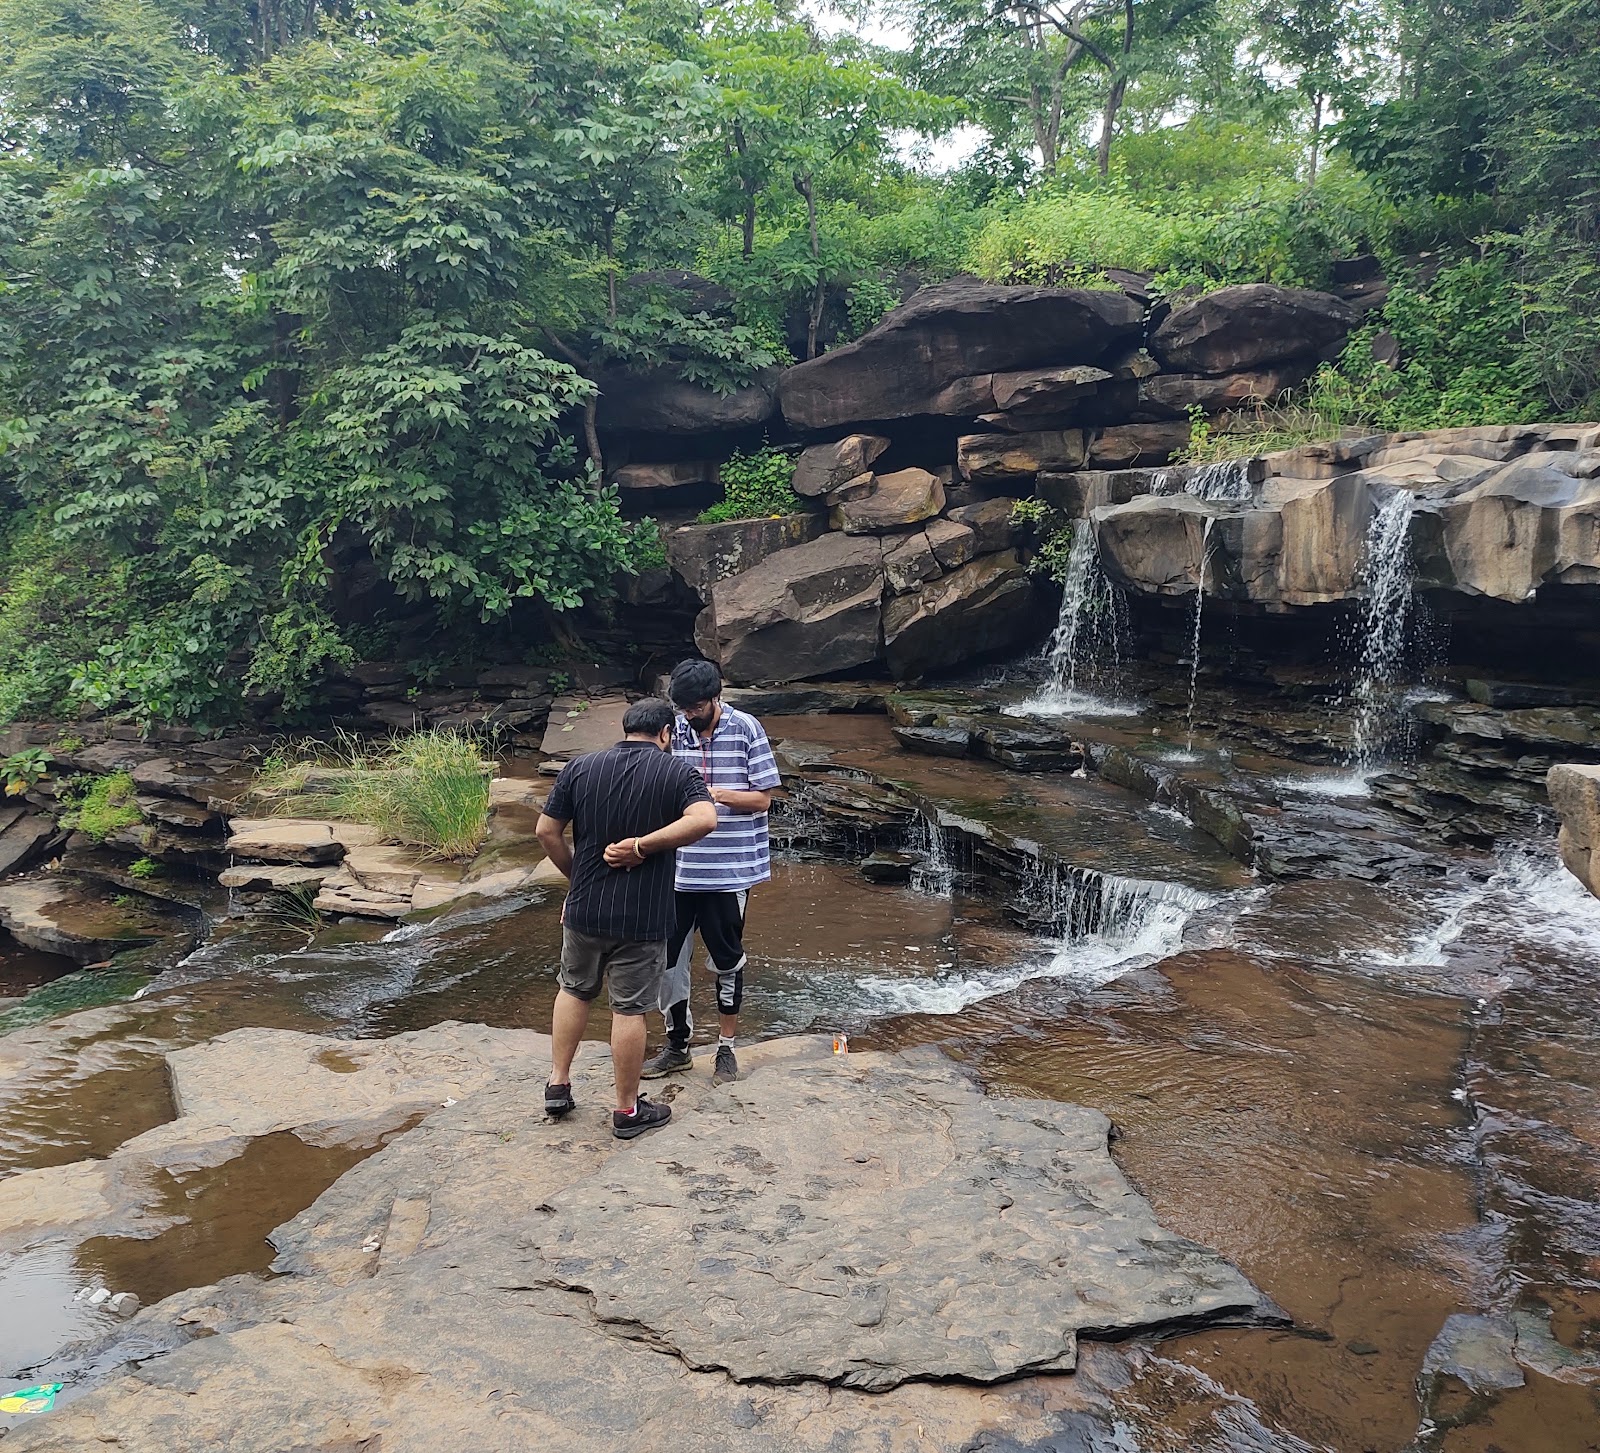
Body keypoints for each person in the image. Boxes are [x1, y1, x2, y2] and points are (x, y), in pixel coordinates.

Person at [535, 697, 717, 1139]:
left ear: (625, 728)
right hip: (643, 915)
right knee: (630, 1009)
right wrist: (643, 846)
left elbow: (545, 831)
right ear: (666, 733)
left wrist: (578, 879)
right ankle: (626, 1110)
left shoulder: (581, 767)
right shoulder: (678, 772)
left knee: (574, 991)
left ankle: (558, 1085)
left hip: (584, 910)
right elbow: (705, 819)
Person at [635, 659, 780, 1085]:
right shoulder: (674, 729)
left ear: (716, 697)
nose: (688, 717)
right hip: (676, 871)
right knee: (667, 962)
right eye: (682, 709)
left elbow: (763, 800)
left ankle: (726, 1047)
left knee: (727, 959)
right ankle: (677, 1046)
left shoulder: (747, 728)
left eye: (696, 708)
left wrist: (713, 795)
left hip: (728, 870)